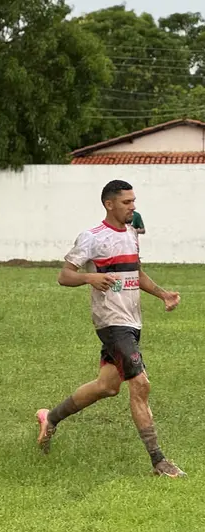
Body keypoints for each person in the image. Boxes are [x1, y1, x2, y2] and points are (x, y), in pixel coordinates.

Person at [36, 179, 184, 477]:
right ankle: (159, 461)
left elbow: (135, 272)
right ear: (109, 204)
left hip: (132, 321)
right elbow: (64, 276)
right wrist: (91, 279)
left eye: (133, 201)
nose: (133, 206)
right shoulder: (92, 237)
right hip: (111, 323)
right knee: (140, 384)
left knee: (107, 386)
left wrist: (162, 293)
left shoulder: (131, 233)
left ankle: (50, 418)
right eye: (127, 202)